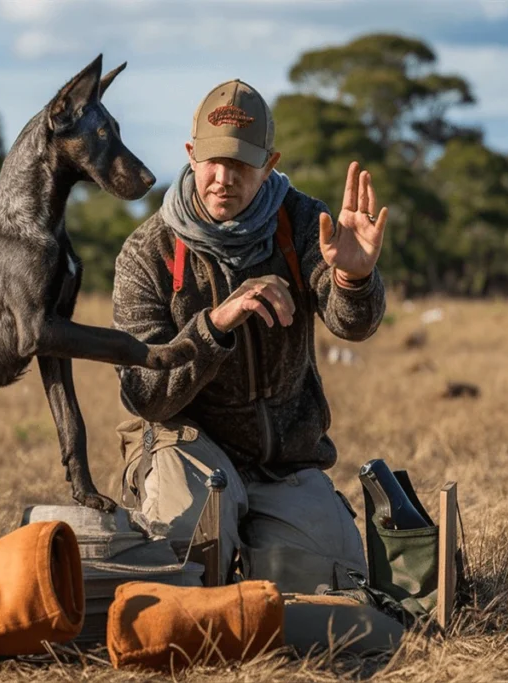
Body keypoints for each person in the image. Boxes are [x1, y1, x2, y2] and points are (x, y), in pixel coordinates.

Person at [111, 78, 388, 593]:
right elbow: (143, 395)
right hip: (186, 446)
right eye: (213, 160)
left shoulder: (306, 222)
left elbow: (353, 323)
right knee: (183, 564)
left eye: (241, 164)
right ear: (191, 155)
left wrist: (353, 278)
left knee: (333, 587)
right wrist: (215, 326)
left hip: (282, 460)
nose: (223, 178)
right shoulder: (146, 252)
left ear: (270, 162)